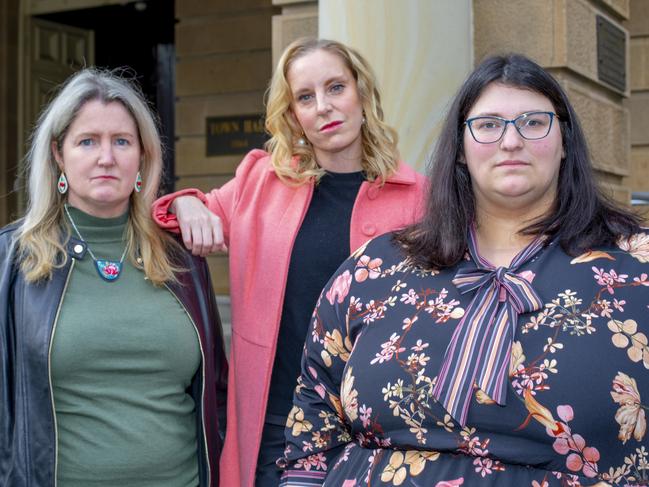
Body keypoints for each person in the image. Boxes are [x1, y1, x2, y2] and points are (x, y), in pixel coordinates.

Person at [279, 54, 648, 487]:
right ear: (460, 148)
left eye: (533, 122)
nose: (511, 141)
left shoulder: (635, 267)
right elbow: (312, 434)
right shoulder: (373, 269)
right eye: (488, 125)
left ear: (564, 140)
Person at [152, 38, 428, 486]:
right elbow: (168, 216)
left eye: (336, 87)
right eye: (305, 96)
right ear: (293, 113)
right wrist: (186, 203)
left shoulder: (418, 198)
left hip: (380, 436)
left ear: (362, 93)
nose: (323, 106)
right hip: (278, 427)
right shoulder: (260, 182)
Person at [0, 68, 227, 486]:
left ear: (142, 155)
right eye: (87, 142)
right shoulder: (14, 259)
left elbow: (216, 393)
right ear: (58, 154)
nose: (106, 157)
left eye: (121, 141)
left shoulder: (181, 257)